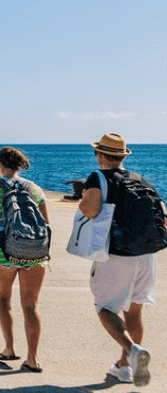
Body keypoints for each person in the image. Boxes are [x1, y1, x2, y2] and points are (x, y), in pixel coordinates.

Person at [78, 133, 166, 386]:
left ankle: (132, 351)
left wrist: (84, 204)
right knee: (134, 312)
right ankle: (124, 367)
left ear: (101, 156)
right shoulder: (142, 180)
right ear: (123, 156)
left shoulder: (98, 177)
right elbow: (163, 216)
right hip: (147, 256)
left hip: (117, 254)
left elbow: (91, 209)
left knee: (105, 307)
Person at [0, 147, 49, 373]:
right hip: (35, 255)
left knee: (3, 300)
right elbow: (45, 223)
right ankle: (33, 358)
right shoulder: (35, 189)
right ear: (18, 166)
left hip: (4, 253)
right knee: (30, 305)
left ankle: (9, 349)